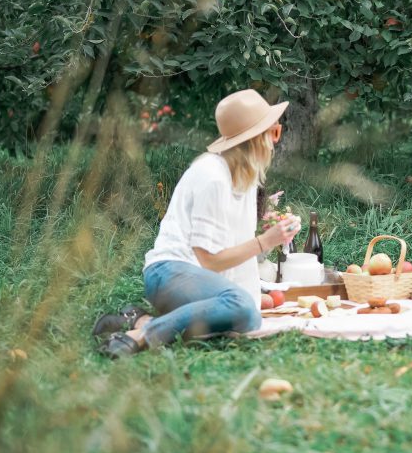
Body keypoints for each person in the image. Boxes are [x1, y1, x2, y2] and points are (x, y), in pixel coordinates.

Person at [93, 89, 301, 359]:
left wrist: (249, 299)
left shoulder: (247, 179)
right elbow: (210, 261)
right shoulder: (212, 176)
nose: (275, 142)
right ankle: (141, 335)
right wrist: (265, 241)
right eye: (273, 133)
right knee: (243, 309)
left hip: (203, 279)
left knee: (247, 314)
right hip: (168, 273)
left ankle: (139, 320)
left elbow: (238, 255)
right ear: (254, 140)